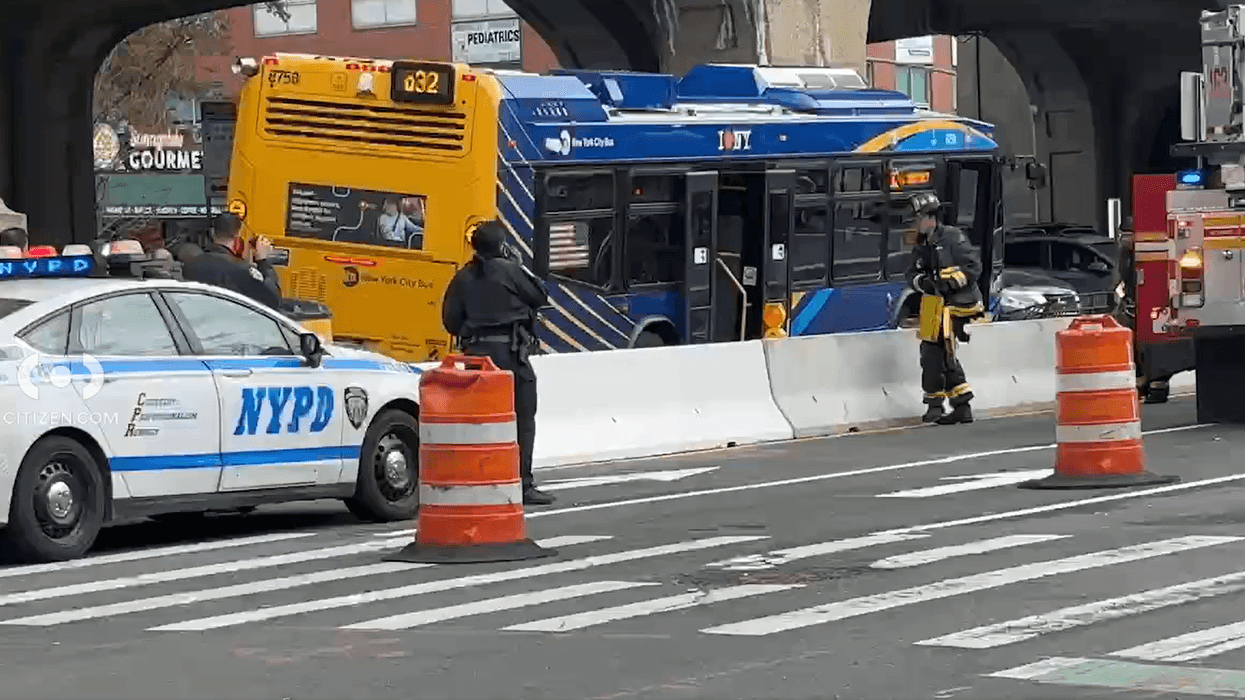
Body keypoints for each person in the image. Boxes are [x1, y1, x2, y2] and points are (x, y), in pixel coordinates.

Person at [441, 220, 554, 506]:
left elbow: (450, 322)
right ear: (502, 245)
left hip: (475, 359)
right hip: (510, 358)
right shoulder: (510, 270)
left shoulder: (463, 277)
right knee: (522, 419)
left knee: (478, 423)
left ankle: (478, 478)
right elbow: (540, 296)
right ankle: (523, 483)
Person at [905, 192, 985, 425]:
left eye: (917, 218)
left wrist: (950, 283)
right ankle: (942, 405)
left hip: (956, 304)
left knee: (943, 352)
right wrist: (923, 282)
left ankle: (956, 405)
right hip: (933, 304)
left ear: (930, 218)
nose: (915, 224)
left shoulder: (953, 237)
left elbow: (973, 267)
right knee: (930, 354)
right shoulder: (921, 245)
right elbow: (911, 273)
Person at [182, 212, 281, 309]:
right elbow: (273, 300)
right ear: (237, 242)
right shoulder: (242, 270)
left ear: (213, 234)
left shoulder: (190, 265)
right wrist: (262, 261)